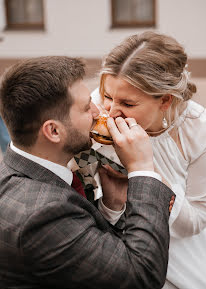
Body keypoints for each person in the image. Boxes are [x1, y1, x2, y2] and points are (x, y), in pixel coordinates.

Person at [0, 56, 175, 289]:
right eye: (86, 107)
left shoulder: (18, 171)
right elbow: (141, 276)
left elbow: (87, 254)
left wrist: (110, 207)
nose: (98, 111)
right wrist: (142, 169)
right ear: (53, 130)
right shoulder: (43, 216)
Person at [90, 31, 206, 289]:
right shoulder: (100, 105)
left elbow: (195, 221)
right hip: (123, 247)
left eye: (128, 103)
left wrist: (145, 171)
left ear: (165, 100)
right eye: (107, 96)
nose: (110, 111)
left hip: (186, 255)